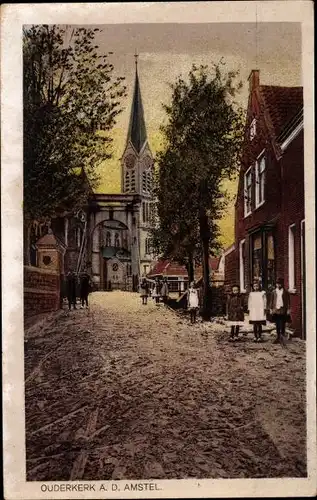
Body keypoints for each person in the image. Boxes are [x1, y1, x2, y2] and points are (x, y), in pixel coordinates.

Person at [269, 278, 291, 344]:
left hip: (283, 309)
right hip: (276, 309)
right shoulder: (273, 292)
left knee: (282, 323)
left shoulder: (285, 292)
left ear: (282, 284)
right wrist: (270, 309)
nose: (278, 285)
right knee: (277, 323)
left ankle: (282, 336)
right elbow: (271, 301)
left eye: (280, 284)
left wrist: (288, 309)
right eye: (277, 284)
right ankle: (278, 336)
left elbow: (288, 301)